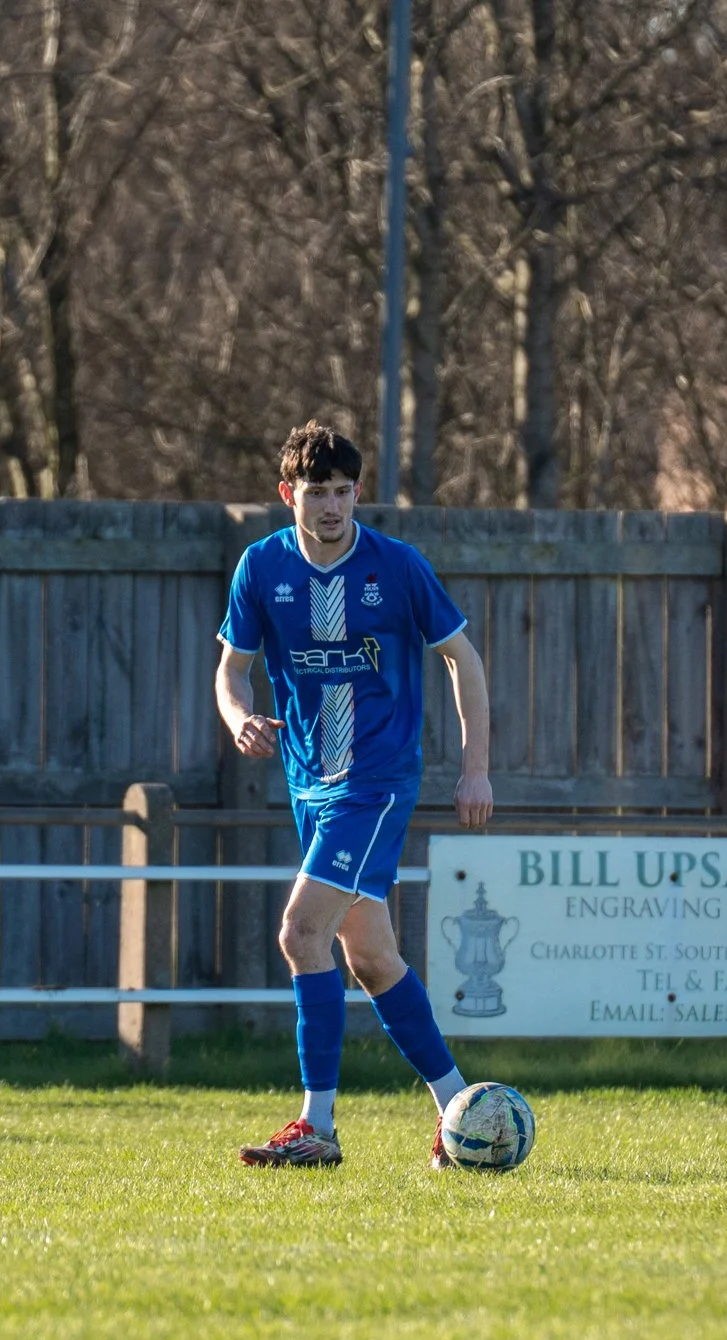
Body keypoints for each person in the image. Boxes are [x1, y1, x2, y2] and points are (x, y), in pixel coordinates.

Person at [216, 423, 494, 1167]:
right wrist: (240, 717)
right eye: (318, 493)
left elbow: (463, 660)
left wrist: (476, 767)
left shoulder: (396, 567)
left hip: (375, 785)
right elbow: (232, 670)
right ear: (289, 494)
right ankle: (462, 1110)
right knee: (369, 955)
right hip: (309, 784)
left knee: (299, 931)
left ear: (358, 491)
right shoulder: (262, 566)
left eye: (343, 491)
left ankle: (318, 1125)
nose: (333, 506)